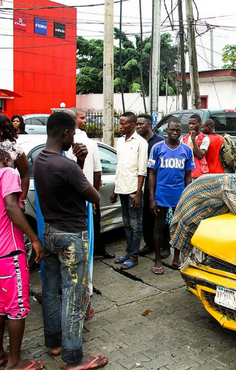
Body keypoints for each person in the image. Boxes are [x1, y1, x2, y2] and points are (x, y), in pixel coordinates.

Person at [34, 111, 108, 370]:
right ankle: (73, 356)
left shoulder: (39, 159)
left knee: (51, 292)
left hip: (51, 233)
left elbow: (65, 187)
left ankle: (53, 342)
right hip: (71, 237)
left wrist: (79, 161)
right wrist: (79, 164)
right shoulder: (64, 165)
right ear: (65, 133)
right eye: (73, 133)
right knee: (73, 297)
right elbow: (94, 197)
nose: (74, 137)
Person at [0, 148, 45, 370]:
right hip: (9, 252)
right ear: (6, 160)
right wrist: (34, 239)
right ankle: (15, 362)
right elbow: (12, 207)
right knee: (17, 307)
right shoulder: (8, 174)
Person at [171, 174, 236, 259]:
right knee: (189, 227)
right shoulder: (227, 186)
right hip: (194, 200)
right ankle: (182, 262)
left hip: (210, 199)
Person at [148, 119, 195, 274]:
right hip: (161, 195)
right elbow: (152, 174)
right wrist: (151, 197)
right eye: (172, 130)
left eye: (178, 130)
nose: (175, 133)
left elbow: (188, 176)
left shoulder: (187, 150)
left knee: (178, 228)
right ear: (167, 130)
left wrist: (187, 197)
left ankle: (176, 258)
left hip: (179, 196)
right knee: (158, 227)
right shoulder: (157, 148)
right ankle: (157, 259)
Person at [68, 108, 114, 259]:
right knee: (91, 225)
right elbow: (97, 172)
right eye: (82, 118)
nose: (85, 121)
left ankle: (94, 250)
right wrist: (94, 194)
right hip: (87, 193)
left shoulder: (63, 143)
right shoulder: (89, 143)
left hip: (74, 194)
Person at [109, 112, 149, 269]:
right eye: (120, 123)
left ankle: (134, 256)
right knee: (126, 223)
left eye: (123, 124)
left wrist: (138, 194)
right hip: (122, 189)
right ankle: (128, 252)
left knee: (135, 225)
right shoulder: (120, 141)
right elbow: (119, 168)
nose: (120, 126)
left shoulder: (141, 143)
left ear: (132, 125)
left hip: (133, 190)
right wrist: (114, 190)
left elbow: (142, 171)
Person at [136, 114, 167, 257]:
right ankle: (149, 244)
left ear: (149, 125)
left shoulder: (159, 142)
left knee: (160, 217)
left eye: (141, 124)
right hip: (141, 184)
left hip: (157, 185)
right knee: (146, 217)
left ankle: (165, 245)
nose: (138, 127)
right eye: (136, 124)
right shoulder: (136, 141)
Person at [182, 114, 209, 179]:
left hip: (199, 174)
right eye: (189, 124)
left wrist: (193, 139)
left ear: (199, 124)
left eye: (194, 124)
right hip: (187, 173)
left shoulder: (204, 138)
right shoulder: (184, 138)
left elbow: (200, 155)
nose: (191, 126)